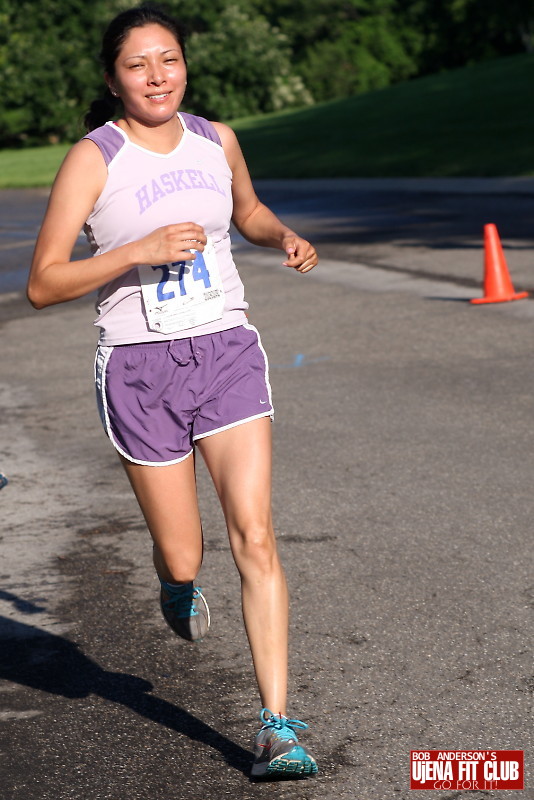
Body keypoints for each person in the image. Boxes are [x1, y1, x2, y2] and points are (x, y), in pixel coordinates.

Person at [27, 4, 318, 779]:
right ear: (113, 78)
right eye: (138, 64)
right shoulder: (94, 158)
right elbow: (43, 283)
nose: (157, 76)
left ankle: (277, 728)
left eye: (169, 60)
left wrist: (282, 234)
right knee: (187, 556)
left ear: (185, 65)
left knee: (255, 535)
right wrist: (138, 250)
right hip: (139, 368)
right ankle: (173, 580)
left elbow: (247, 210)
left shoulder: (216, 139)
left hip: (225, 350)